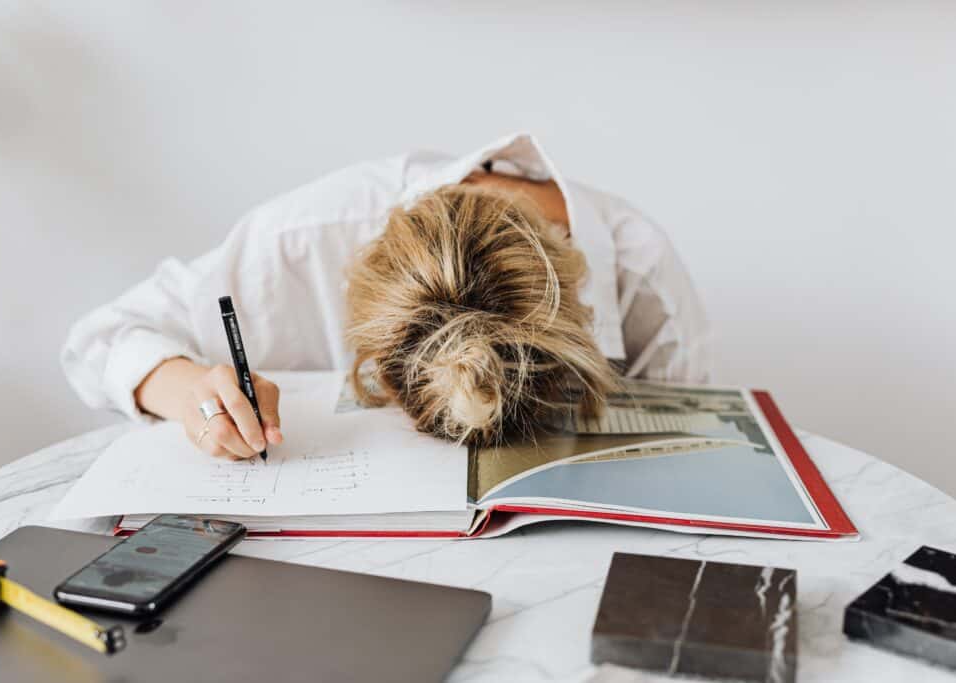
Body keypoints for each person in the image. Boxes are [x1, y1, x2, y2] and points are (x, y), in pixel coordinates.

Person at [62, 133, 711, 459]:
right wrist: (192, 390)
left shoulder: (642, 275)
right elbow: (99, 339)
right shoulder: (305, 238)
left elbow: (685, 457)